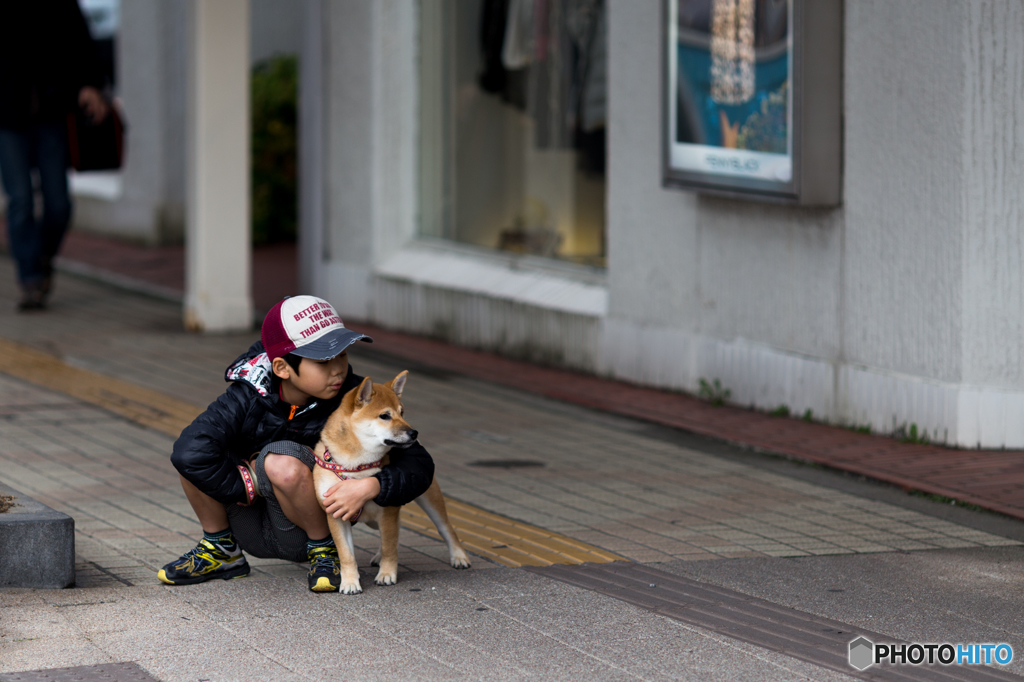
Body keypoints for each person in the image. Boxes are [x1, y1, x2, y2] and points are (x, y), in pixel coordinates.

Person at [160, 296, 435, 592]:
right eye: (323, 361)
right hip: (249, 522)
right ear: (281, 367)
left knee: (281, 460)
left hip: (305, 529)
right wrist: (247, 487)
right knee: (203, 456)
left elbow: (420, 465)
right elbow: (189, 451)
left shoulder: (354, 400)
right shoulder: (248, 392)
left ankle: (325, 552)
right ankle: (222, 549)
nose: (338, 370)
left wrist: (372, 486)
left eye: (341, 355)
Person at [0, 1, 108, 311]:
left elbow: (81, 40)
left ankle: (41, 257)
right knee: (19, 200)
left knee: (59, 203)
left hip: (52, 112)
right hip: (7, 116)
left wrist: (91, 84)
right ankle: (31, 279)